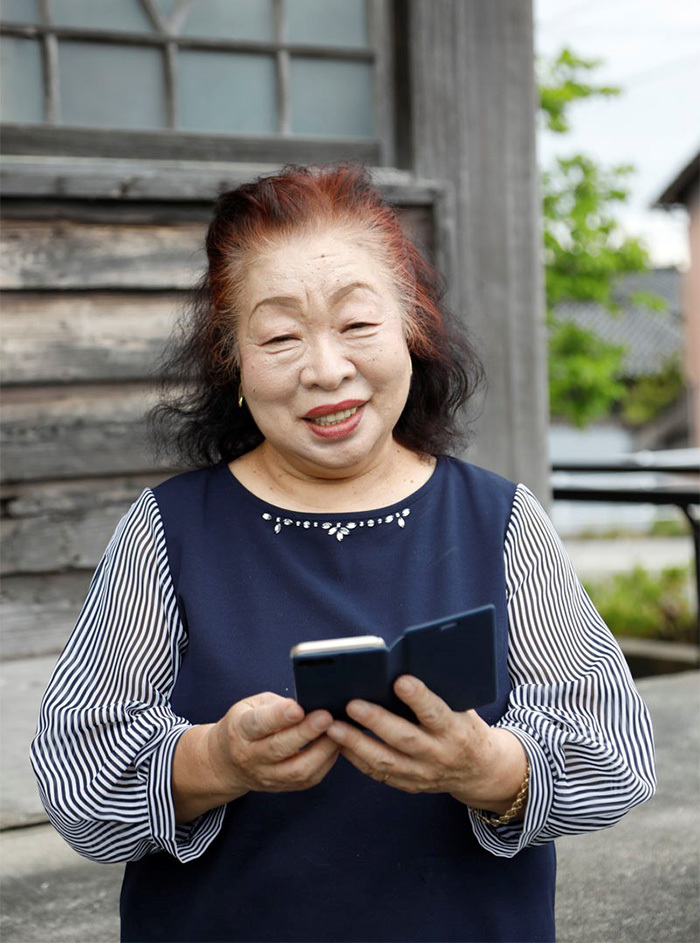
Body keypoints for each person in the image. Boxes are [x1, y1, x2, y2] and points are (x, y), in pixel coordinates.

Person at [31, 163, 656, 943]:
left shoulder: (500, 519)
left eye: (357, 324)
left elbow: (617, 755)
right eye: (281, 336)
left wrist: (490, 767)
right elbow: (77, 779)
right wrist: (215, 759)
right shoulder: (167, 530)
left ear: (412, 329)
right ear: (233, 360)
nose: (326, 369)